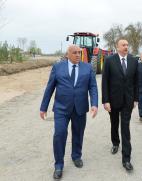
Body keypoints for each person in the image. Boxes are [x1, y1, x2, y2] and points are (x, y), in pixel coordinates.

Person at [39, 45, 98, 179]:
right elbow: (50, 88)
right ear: (68, 54)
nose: (78, 55)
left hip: (80, 108)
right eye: (75, 53)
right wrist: (43, 107)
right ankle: (58, 165)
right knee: (59, 134)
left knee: (78, 133)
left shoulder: (88, 68)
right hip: (61, 108)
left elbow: (93, 87)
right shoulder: (58, 67)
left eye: (79, 53)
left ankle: (76, 156)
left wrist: (94, 104)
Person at [102, 39, 138, 171]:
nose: (126, 47)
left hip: (128, 101)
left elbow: (136, 81)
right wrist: (105, 101)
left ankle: (126, 158)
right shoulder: (109, 61)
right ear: (117, 47)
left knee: (125, 127)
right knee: (114, 123)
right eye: (123, 45)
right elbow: (105, 82)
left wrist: (135, 99)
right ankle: (115, 143)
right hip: (113, 100)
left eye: (127, 45)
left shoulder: (134, 61)